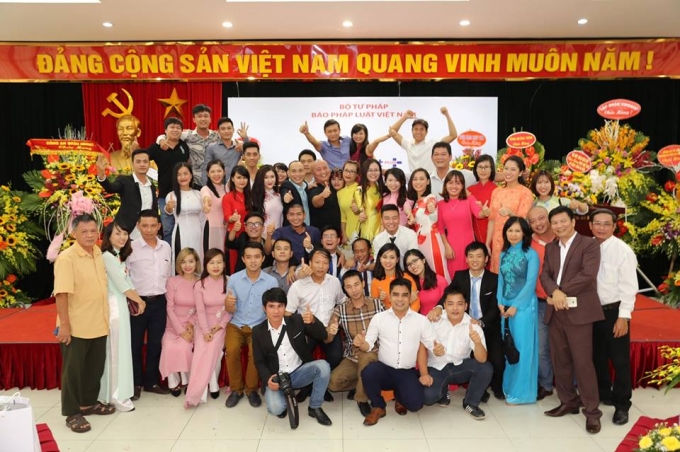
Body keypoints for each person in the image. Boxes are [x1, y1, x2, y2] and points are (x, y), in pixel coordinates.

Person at [540, 206, 604, 434]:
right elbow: (544, 275)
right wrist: (555, 292)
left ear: (573, 222)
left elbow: (587, 275)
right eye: (555, 223)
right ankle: (568, 401)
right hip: (556, 312)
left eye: (562, 221)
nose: (559, 226)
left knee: (583, 363)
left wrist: (560, 292)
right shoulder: (550, 247)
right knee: (561, 361)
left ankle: (592, 412)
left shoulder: (589, 244)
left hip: (579, 312)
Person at [354, 278, 443, 426]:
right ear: (389, 296)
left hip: (406, 371)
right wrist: (362, 344)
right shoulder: (379, 318)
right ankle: (378, 406)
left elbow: (433, 344)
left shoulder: (421, 321)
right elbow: (368, 345)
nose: (400, 299)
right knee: (368, 372)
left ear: (410, 297)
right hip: (384, 369)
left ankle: (400, 396)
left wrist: (438, 349)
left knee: (415, 405)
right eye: (396, 294)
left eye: (404, 295)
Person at [54, 213, 113, 433]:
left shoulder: (97, 252)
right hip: (76, 325)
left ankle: (87, 403)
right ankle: (72, 413)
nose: (89, 235)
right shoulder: (67, 258)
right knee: (73, 372)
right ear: (74, 233)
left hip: (98, 321)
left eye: (93, 231)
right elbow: (61, 293)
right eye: (84, 231)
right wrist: (64, 325)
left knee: (94, 368)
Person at [430, 241, 505, 400]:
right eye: (471, 256)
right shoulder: (460, 276)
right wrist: (438, 307)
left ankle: (497, 387)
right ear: (466, 259)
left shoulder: (495, 279)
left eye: (479, 256)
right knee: (471, 359)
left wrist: (481, 322)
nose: (474, 260)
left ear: (486, 259)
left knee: (497, 359)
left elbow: (494, 308)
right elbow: (448, 294)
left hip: (488, 325)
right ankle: (480, 390)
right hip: (466, 326)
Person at [253, 287, 333, 426]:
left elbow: (322, 335)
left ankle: (315, 407)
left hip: (299, 373)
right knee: (276, 409)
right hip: (278, 378)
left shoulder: (296, 321)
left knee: (323, 366)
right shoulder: (258, 331)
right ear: (264, 308)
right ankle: (283, 396)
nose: (276, 311)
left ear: (285, 307)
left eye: (280, 306)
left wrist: (313, 321)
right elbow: (259, 361)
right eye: (271, 306)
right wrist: (268, 379)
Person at [589, 208, 637, 426]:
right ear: (590, 226)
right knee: (597, 357)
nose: (601, 228)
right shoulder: (586, 247)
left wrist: (623, 317)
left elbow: (629, 287)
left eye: (606, 224)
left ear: (615, 226)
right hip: (591, 312)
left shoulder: (622, 251)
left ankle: (622, 405)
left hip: (613, 312)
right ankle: (604, 394)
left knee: (619, 360)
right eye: (597, 223)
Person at [419, 288, 493, 419]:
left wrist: (477, 343)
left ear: (466, 306)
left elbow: (482, 359)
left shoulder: (473, 326)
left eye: (459, 304)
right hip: (436, 367)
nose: (455, 308)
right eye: (450, 304)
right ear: (444, 305)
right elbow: (421, 347)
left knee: (485, 368)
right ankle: (443, 393)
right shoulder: (433, 320)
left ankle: (471, 403)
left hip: (460, 367)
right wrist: (425, 372)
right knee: (427, 398)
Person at [98, 222, 146, 412]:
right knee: (116, 352)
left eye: (125, 233)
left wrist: (138, 299)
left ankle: (118, 393)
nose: (122, 237)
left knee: (121, 350)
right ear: (108, 236)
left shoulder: (118, 256)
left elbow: (129, 282)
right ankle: (115, 396)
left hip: (121, 307)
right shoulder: (107, 257)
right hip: (114, 309)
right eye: (117, 233)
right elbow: (122, 285)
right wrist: (140, 301)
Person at [126, 210, 173, 400]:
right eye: (144, 225)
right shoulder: (131, 247)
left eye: (153, 225)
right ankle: (136, 383)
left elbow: (168, 275)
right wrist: (134, 300)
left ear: (159, 226)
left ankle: (151, 382)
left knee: (155, 344)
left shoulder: (166, 247)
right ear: (138, 226)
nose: (149, 230)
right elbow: (125, 276)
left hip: (159, 302)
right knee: (135, 344)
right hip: (137, 302)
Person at [224, 242, 278, 408]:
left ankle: (251, 390)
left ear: (262, 259)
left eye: (256, 257)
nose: (253, 261)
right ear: (243, 259)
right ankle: (236, 390)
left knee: (256, 353)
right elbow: (230, 309)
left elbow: (273, 309)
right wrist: (228, 305)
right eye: (249, 257)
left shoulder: (271, 281)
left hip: (259, 325)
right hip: (236, 323)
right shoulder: (234, 279)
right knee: (232, 350)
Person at [327, 270, 385, 416]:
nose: (354, 290)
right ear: (345, 290)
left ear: (363, 284)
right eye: (349, 287)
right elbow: (327, 338)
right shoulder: (340, 309)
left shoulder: (377, 304)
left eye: (356, 284)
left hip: (375, 355)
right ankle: (362, 383)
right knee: (333, 383)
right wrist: (331, 331)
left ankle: (361, 399)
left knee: (366, 355)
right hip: (353, 357)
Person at [286, 248, 345, 380]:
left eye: (325, 263)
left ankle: (320, 380)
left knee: (336, 357)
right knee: (302, 358)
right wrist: (301, 319)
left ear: (329, 265)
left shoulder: (334, 282)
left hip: (328, 328)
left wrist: (335, 320)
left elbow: (342, 302)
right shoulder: (298, 285)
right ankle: (307, 384)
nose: (321, 266)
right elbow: (287, 313)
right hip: (307, 329)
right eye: (317, 262)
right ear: (310, 263)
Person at [497, 217, 539, 404]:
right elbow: (501, 280)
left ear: (524, 233)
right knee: (509, 346)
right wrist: (499, 302)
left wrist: (516, 306)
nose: (513, 234)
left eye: (517, 231)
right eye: (510, 230)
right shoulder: (503, 253)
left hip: (523, 307)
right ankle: (509, 386)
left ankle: (523, 393)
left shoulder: (531, 254)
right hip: (505, 306)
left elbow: (530, 283)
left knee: (522, 348)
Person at [185, 249, 233, 407]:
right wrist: (205, 331)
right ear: (206, 265)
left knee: (213, 348)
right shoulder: (200, 284)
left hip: (223, 324)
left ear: (224, 264)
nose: (216, 266)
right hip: (203, 323)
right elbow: (200, 311)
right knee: (201, 349)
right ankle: (204, 388)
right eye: (212, 263)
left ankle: (213, 386)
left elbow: (231, 310)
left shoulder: (230, 281)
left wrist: (219, 326)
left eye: (219, 262)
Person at [159, 247, 200, 397]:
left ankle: (189, 381)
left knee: (184, 347)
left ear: (196, 263)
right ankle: (173, 383)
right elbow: (169, 309)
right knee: (168, 346)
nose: (187, 265)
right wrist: (180, 331)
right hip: (173, 325)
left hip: (193, 325)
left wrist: (192, 324)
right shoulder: (172, 281)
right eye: (183, 262)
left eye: (191, 261)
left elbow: (203, 308)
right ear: (178, 264)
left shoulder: (201, 282)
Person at [147, 117, 192, 244]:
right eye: (172, 127)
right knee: (168, 229)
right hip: (164, 194)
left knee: (184, 228)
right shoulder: (157, 147)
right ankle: (168, 255)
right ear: (165, 130)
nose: (175, 130)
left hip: (183, 193)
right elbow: (143, 158)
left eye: (178, 128)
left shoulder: (184, 146)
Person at [96, 148, 157, 240]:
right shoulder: (125, 181)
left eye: (145, 161)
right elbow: (111, 188)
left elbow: (154, 210)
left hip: (147, 234)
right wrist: (101, 176)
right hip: (126, 233)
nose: (142, 164)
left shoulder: (152, 186)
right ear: (132, 164)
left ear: (149, 164)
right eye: (138, 161)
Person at [486, 155, 534, 273]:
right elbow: (492, 219)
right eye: (506, 168)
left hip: (515, 241)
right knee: (497, 274)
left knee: (512, 274)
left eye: (513, 169)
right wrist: (487, 243)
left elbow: (523, 222)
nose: (508, 172)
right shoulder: (496, 191)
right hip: (497, 242)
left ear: (520, 172)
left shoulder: (526, 193)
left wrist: (510, 212)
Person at [527, 206, 555, 400]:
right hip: (540, 302)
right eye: (533, 221)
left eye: (541, 218)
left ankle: (573, 386)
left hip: (563, 302)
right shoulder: (528, 244)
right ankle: (545, 384)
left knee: (567, 346)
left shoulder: (562, 239)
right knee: (541, 347)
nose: (538, 223)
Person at [158, 104, 223, 187]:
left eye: (206, 116)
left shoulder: (217, 136)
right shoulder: (187, 135)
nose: (203, 119)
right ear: (194, 119)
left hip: (214, 181)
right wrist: (161, 140)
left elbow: (231, 142)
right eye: (199, 116)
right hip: (193, 183)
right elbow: (169, 135)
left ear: (210, 119)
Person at [405, 168, 450, 281]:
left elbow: (432, 210)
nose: (418, 182)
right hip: (420, 243)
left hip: (432, 241)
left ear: (428, 181)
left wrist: (431, 208)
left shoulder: (430, 197)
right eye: (415, 179)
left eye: (421, 179)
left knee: (438, 272)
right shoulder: (414, 202)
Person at [437, 169, 483, 276]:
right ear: (445, 185)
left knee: (471, 274)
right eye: (450, 182)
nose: (454, 186)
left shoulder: (469, 199)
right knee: (454, 275)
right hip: (451, 246)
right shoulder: (440, 204)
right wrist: (447, 246)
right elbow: (440, 229)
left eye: (458, 183)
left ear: (462, 186)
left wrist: (484, 211)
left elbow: (479, 214)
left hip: (468, 244)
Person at [388, 107, 458, 173]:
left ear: (426, 132)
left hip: (430, 179)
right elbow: (392, 131)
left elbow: (453, 135)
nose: (418, 132)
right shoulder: (408, 144)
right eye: (416, 129)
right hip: (413, 180)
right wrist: (405, 117)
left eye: (422, 129)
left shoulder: (433, 144)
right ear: (412, 131)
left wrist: (447, 115)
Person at [164, 162, 205, 271]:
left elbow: (203, 217)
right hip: (181, 233)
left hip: (198, 233)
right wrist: (168, 208)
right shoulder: (172, 195)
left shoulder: (198, 194)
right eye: (179, 174)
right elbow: (169, 211)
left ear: (191, 175)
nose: (182, 177)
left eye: (185, 173)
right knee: (182, 260)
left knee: (198, 259)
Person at [371, 243, 420, 311]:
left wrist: (405, 317)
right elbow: (374, 307)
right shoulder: (375, 281)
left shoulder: (407, 277)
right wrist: (380, 300)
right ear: (380, 258)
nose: (388, 261)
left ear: (397, 259)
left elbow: (416, 304)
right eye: (385, 257)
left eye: (392, 257)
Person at [222, 165, 253, 272]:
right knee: (235, 266)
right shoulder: (228, 197)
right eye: (239, 177)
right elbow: (227, 217)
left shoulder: (251, 196)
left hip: (250, 235)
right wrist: (232, 218)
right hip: (235, 236)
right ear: (232, 179)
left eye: (244, 177)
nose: (242, 180)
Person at [201, 117, 245, 185]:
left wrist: (245, 139)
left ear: (233, 130)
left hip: (236, 185)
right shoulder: (211, 148)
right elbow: (205, 169)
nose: (226, 131)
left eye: (229, 128)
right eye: (223, 129)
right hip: (217, 185)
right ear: (218, 131)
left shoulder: (239, 146)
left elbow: (251, 154)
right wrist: (206, 186)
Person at [403, 249, 446, 315]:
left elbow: (447, 301)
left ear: (423, 260)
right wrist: (409, 301)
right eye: (409, 264)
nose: (413, 266)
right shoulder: (410, 284)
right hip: (421, 319)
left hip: (440, 318)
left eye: (415, 261)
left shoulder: (440, 280)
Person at [468, 155, 496, 245]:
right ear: (475, 169)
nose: (483, 170)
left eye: (486, 167)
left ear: (492, 169)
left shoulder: (498, 190)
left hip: (493, 234)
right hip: (473, 236)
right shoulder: (469, 190)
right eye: (480, 167)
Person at [200, 160, 227, 253]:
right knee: (211, 255)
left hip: (225, 228)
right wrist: (206, 203)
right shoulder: (205, 189)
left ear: (224, 172)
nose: (216, 174)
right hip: (211, 228)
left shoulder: (227, 188)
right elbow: (206, 196)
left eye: (219, 171)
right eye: (212, 171)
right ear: (208, 174)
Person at [354, 158, 384, 241]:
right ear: (365, 171)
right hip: (368, 228)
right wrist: (360, 213)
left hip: (383, 228)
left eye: (376, 170)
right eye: (370, 170)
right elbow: (360, 209)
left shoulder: (382, 189)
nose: (373, 173)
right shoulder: (360, 190)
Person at [308, 160, 342, 233]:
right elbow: (316, 202)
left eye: (325, 168)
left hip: (338, 233)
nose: (323, 172)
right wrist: (322, 195)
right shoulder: (314, 188)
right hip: (322, 234)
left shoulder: (334, 185)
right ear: (313, 173)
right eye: (318, 169)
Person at [251, 164, 283, 230]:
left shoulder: (279, 195)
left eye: (272, 177)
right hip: (262, 233)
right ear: (260, 178)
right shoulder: (254, 196)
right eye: (266, 177)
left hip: (279, 232)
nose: (270, 180)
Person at [280, 161, 310, 225]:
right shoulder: (286, 184)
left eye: (300, 171)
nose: (297, 174)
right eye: (294, 171)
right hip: (293, 227)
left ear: (304, 172)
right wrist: (286, 197)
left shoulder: (306, 185)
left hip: (308, 226)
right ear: (288, 173)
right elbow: (284, 191)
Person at [338, 160, 361, 245]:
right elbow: (343, 217)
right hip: (348, 232)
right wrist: (344, 234)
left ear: (357, 174)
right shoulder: (339, 193)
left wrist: (358, 210)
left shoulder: (360, 189)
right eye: (346, 170)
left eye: (352, 171)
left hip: (361, 229)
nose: (348, 174)